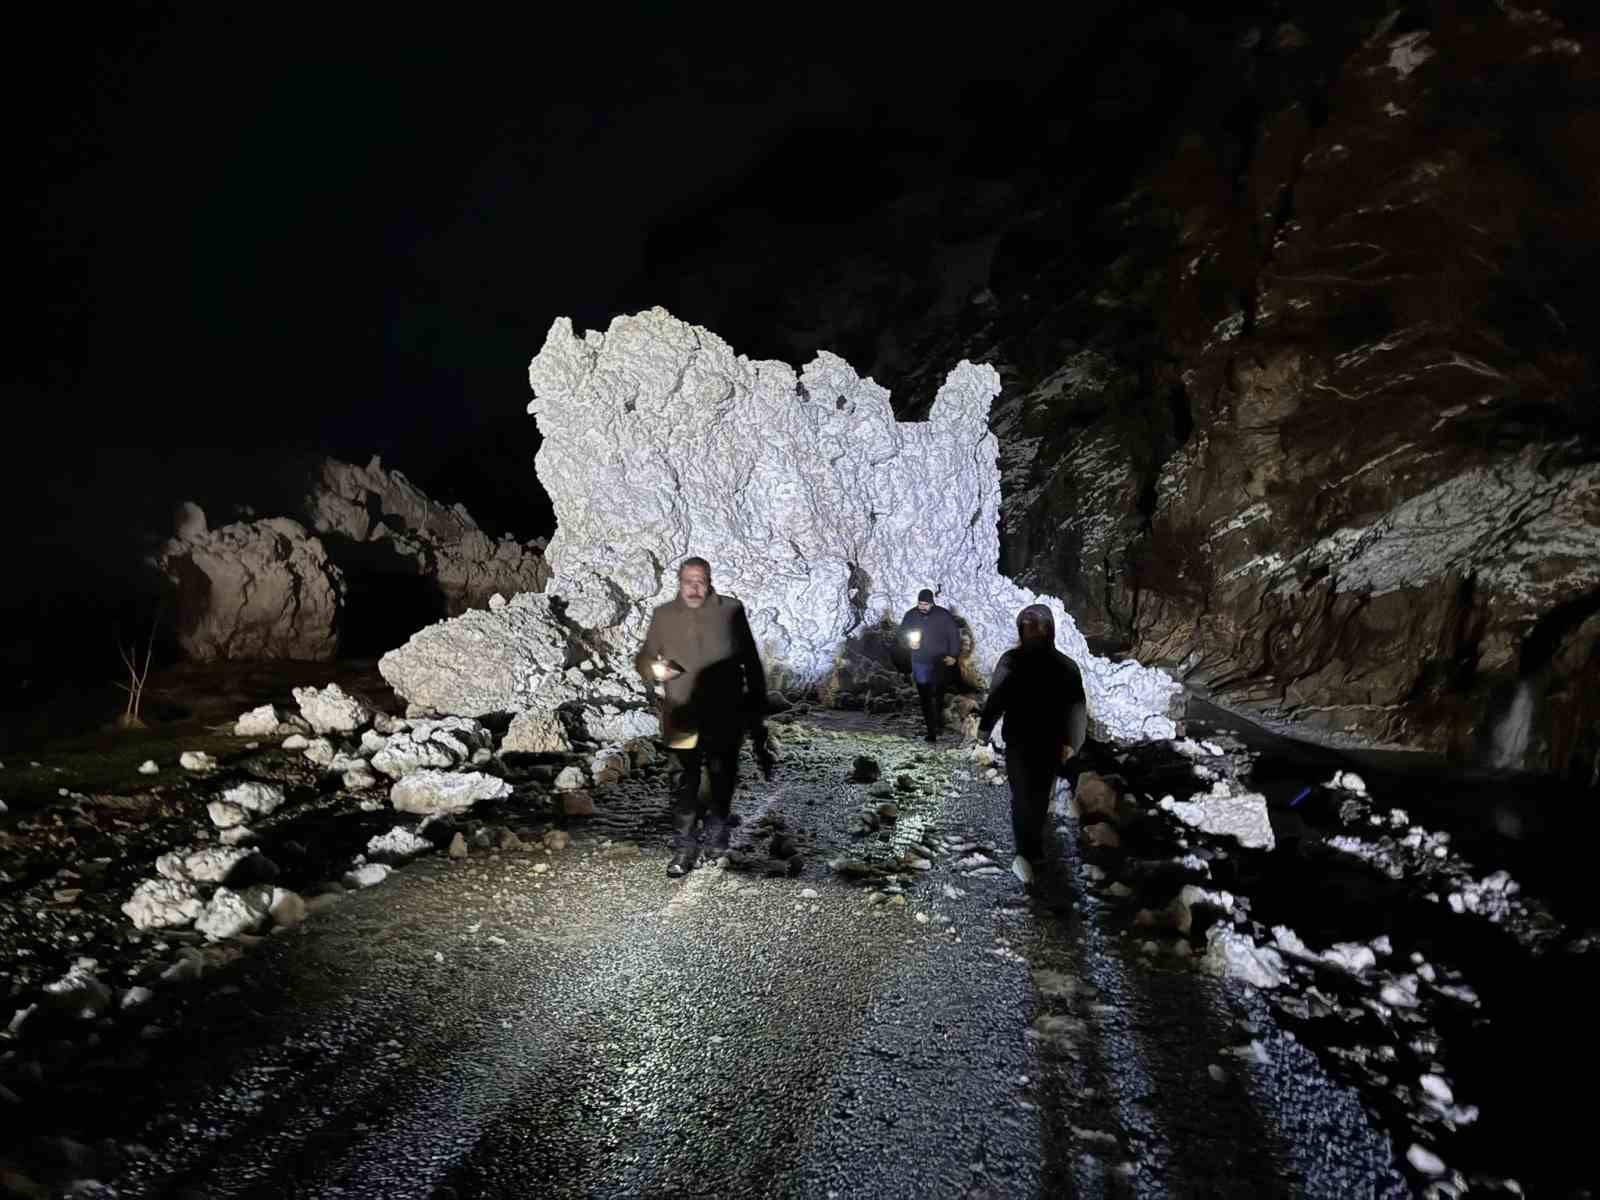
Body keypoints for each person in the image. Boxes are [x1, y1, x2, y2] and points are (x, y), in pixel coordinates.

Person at [635, 556, 774, 878]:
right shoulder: (664, 615)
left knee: (721, 779)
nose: (694, 588)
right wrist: (653, 670)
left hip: (725, 715)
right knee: (684, 782)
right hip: (682, 715)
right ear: (679, 581)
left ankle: (716, 836)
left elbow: (751, 663)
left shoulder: (730, 611)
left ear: (709, 581)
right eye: (688, 581)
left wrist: (757, 715)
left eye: (700, 581)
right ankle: (684, 847)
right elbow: (643, 656)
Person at [976, 603, 1089, 886]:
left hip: (1019, 740)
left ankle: (1026, 849)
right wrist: (1073, 743)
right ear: (1050, 630)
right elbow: (1077, 709)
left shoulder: (1011, 661)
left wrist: (984, 729)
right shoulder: (1065, 665)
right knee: (1038, 796)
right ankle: (1032, 848)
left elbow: (996, 698)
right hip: (1049, 742)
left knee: (1022, 794)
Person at [898, 588, 961, 743]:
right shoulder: (911, 615)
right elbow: (901, 633)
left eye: (926, 604)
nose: (922, 607)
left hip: (940, 660)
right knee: (925, 695)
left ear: (932, 603)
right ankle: (931, 730)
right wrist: (908, 643)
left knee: (938, 693)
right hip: (920, 660)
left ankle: (936, 722)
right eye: (920, 603)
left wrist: (953, 655)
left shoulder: (943, 615)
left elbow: (953, 634)